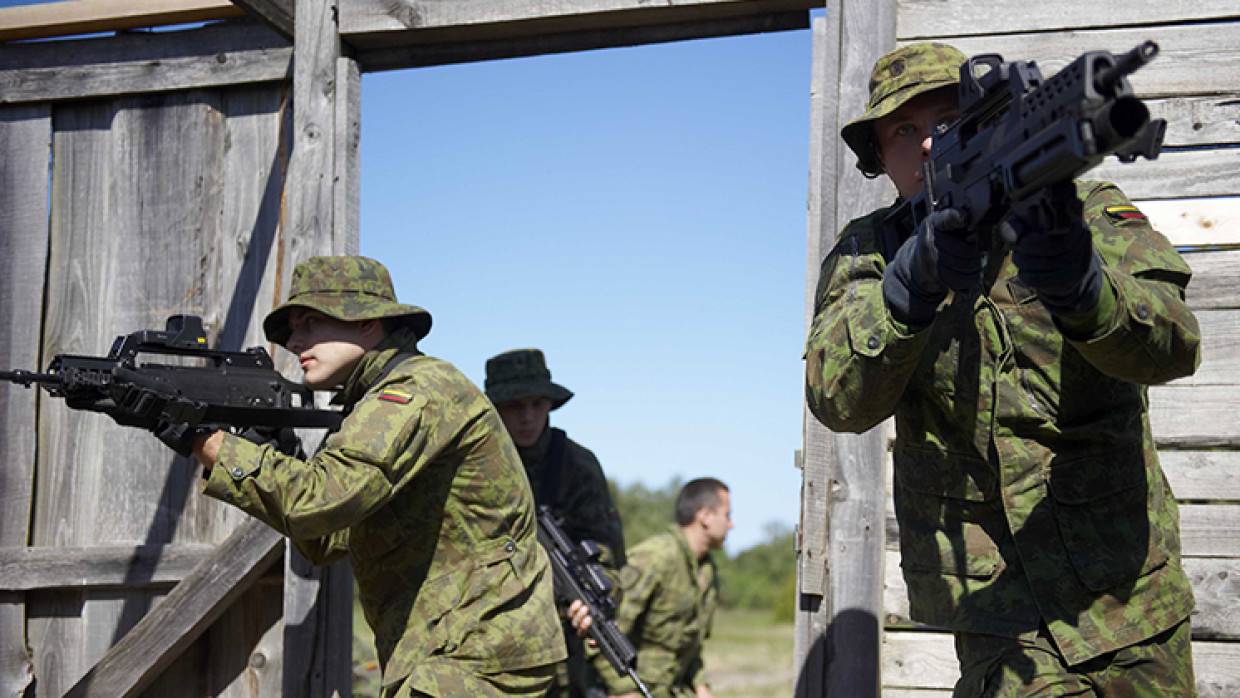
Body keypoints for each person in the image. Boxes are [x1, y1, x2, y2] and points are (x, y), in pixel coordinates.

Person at [805, 42, 1201, 695]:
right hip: (1001, 622)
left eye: (947, 119)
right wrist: (909, 288)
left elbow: (1175, 342)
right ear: (878, 155)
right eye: (904, 130)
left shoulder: (1084, 211)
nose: (930, 144)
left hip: (1134, 596)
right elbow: (836, 398)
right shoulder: (869, 254)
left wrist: (1083, 286)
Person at [187, 256, 566, 697]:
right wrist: (277, 451)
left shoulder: (416, 390)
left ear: (367, 323)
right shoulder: (372, 405)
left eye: (311, 321)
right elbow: (325, 538)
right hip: (452, 653)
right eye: (292, 328)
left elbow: (316, 502)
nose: (295, 341)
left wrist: (208, 443)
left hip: (474, 656)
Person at [485, 348, 627, 697]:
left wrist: (598, 598)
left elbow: (606, 549)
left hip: (562, 641)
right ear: (496, 408)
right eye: (515, 406)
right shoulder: (474, 464)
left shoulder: (577, 465)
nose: (528, 417)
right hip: (487, 636)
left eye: (537, 404)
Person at [578, 478, 730, 698]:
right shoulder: (656, 558)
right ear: (705, 516)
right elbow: (603, 631)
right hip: (627, 686)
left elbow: (690, 646)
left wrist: (701, 686)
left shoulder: (706, 571)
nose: (731, 524)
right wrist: (623, 691)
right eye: (727, 515)